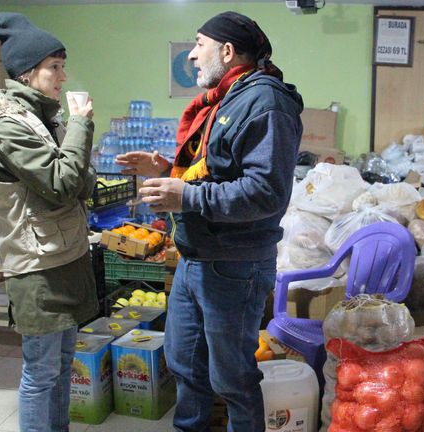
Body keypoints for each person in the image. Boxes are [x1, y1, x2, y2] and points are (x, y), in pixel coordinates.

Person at [116, 11, 303, 431]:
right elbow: (216, 168)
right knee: (184, 362)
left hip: (234, 263)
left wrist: (184, 195)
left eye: (199, 45)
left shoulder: (265, 102)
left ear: (227, 50)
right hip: (195, 256)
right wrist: (166, 168)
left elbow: (265, 192)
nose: (193, 56)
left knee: (233, 379)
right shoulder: (226, 98)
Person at [0, 12, 98, 432]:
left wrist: (73, 140)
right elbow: (63, 181)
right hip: (37, 267)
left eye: (63, 66)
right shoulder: (8, 127)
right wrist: (82, 124)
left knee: (64, 364)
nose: (63, 76)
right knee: (42, 372)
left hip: (64, 255)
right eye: (55, 67)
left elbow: (83, 181)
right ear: (28, 72)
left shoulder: (44, 120)